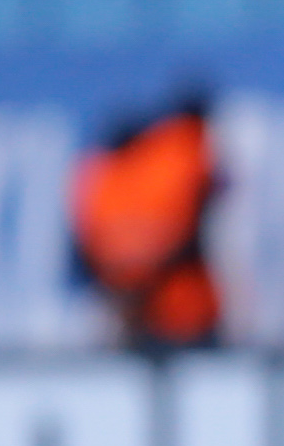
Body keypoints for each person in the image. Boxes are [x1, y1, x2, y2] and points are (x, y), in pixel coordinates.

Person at [70, 93, 220, 348]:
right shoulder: (185, 151)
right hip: (184, 310)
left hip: (130, 311)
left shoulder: (100, 172)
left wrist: (123, 291)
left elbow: (85, 253)